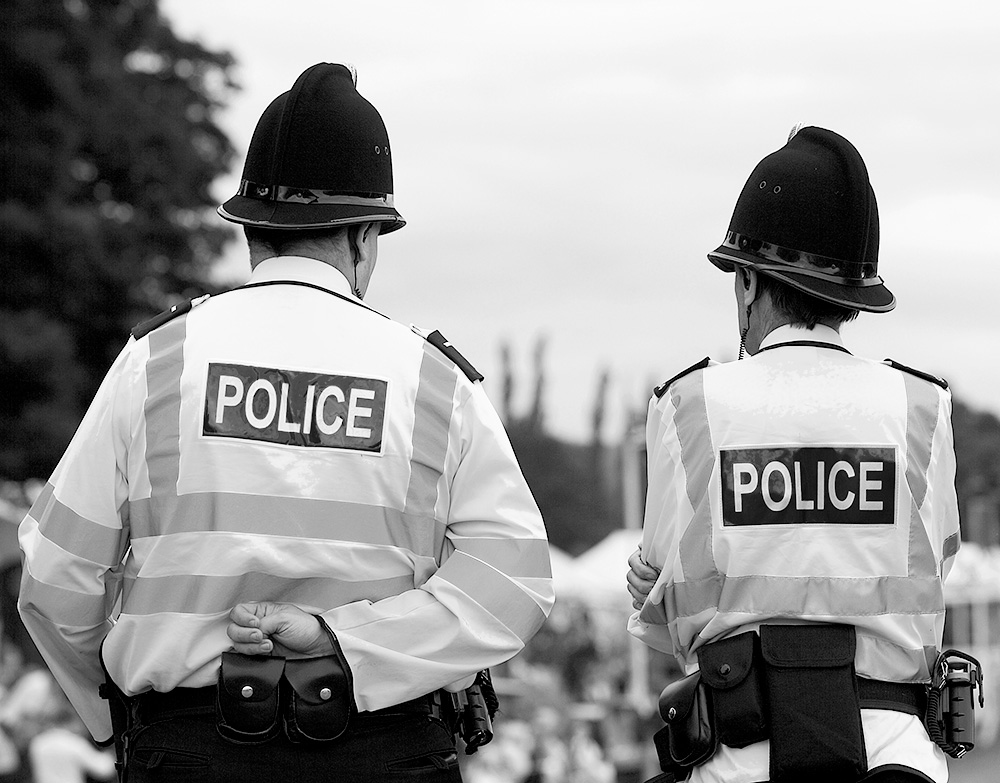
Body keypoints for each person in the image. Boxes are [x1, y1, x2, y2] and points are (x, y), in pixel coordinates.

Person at [18, 62, 554, 782]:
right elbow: (514, 583)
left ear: (250, 230)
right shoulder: (433, 381)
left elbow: (56, 578)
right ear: (366, 236)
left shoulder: (157, 359)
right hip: (386, 752)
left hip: (185, 750)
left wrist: (116, 713)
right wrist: (347, 646)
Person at [626, 126, 961, 783]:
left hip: (741, 756)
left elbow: (664, 620)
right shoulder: (926, 406)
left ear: (748, 283)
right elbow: (937, 572)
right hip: (895, 757)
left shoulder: (685, 404)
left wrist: (651, 591)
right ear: (850, 297)